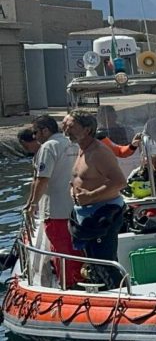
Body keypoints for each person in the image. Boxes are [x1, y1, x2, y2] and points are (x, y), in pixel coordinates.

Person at [64, 111, 127, 289]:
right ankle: (106, 293)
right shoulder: (82, 148)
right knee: (94, 262)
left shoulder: (99, 152)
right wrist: (73, 189)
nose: (65, 130)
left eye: (71, 126)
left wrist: (90, 196)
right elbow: (83, 178)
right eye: (65, 125)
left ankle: (121, 296)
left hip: (103, 213)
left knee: (105, 263)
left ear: (87, 129)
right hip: (86, 214)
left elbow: (120, 182)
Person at [23, 116, 82, 287]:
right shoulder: (73, 143)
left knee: (60, 249)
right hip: (76, 207)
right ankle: (80, 279)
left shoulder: (48, 147)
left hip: (55, 209)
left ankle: (68, 285)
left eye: (35, 132)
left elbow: (42, 179)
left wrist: (33, 204)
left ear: (45, 130)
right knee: (76, 248)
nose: (34, 137)